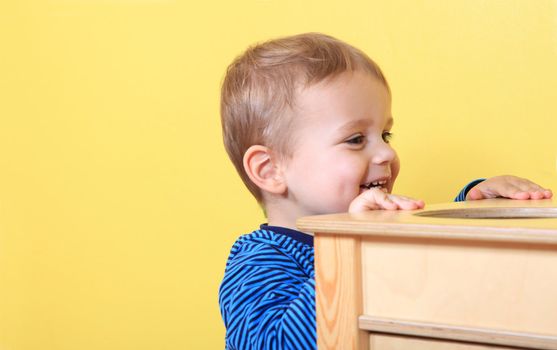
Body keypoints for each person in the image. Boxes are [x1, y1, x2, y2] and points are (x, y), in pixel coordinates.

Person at [218, 32, 552, 349]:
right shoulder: (259, 260)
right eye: (355, 139)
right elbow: (276, 343)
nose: (386, 153)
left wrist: (470, 203)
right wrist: (356, 238)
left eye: (386, 135)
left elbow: (423, 257)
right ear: (270, 170)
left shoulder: (382, 228)